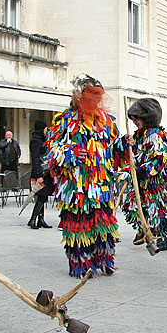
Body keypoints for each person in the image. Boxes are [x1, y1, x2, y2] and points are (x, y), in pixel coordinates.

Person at [45, 74, 127, 277]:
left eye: (98, 96)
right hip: (76, 188)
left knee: (103, 224)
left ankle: (105, 260)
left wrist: (125, 144)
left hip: (102, 186)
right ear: (78, 96)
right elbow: (52, 152)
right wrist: (70, 153)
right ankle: (81, 265)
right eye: (91, 96)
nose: (95, 101)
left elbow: (114, 150)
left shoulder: (107, 122)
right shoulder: (63, 120)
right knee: (78, 226)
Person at [121, 97, 167, 251]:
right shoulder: (139, 134)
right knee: (131, 206)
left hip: (155, 181)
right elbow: (135, 155)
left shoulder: (156, 134)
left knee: (154, 211)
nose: (134, 121)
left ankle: (165, 237)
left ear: (147, 116)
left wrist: (140, 171)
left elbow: (159, 159)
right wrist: (127, 144)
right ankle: (145, 230)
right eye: (133, 118)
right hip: (141, 180)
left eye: (137, 118)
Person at [27, 119, 53, 229]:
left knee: (44, 196)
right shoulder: (35, 141)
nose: (46, 130)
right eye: (45, 129)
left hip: (45, 172)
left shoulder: (43, 139)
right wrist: (38, 175)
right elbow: (35, 159)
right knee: (41, 196)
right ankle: (32, 219)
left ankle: (41, 219)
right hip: (39, 173)